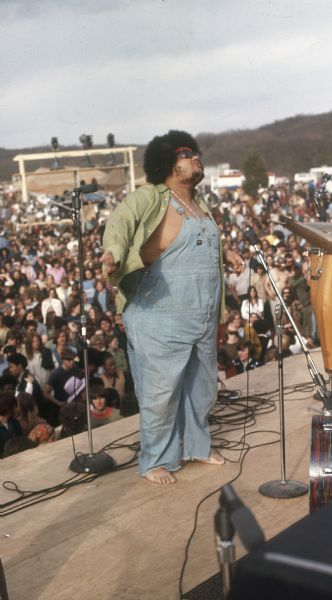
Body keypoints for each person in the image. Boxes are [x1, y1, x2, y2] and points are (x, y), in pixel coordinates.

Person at [102, 129, 244, 484]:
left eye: (195, 152)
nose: (195, 157)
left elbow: (204, 241)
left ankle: (196, 446)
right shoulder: (149, 197)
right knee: (160, 394)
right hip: (158, 316)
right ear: (166, 162)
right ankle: (155, 461)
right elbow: (119, 225)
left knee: (201, 389)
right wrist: (113, 254)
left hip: (201, 314)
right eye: (185, 154)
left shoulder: (200, 203)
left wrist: (226, 252)